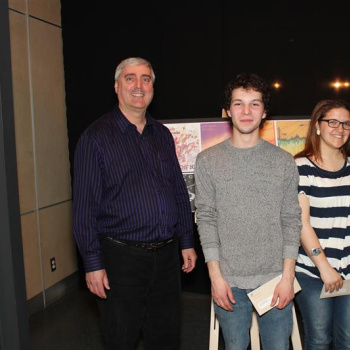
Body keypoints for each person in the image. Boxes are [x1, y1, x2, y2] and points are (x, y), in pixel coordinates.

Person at [72, 57, 197, 350]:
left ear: (153, 87)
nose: (138, 86)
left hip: (166, 258)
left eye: (146, 79)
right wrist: (92, 264)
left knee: (165, 338)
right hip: (120, 260)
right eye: (130, 78)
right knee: (121, 338)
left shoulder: (163, 135)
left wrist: (187, 240)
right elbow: (83, 210)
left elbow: (178, 191)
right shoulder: (95, 138)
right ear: (117, 87)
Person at [194, 73, 302, 350]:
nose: (246, 111)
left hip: (275, 280)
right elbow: (206, 220)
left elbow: (291, 220)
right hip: (228, 282)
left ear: (265, 112)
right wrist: (215, 278)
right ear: (227, 110)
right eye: (238, 103)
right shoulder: (207, 161)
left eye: (254, 104)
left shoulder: (283, 162)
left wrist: (288, 277)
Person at [294, 100, 350, 350]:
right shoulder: (301, 168)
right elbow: (302, 224)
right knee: (319, 340)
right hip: (313, 271)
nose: (340, 129)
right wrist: (324, 268)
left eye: (346, 124)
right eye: (332, 121)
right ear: (318, 126)